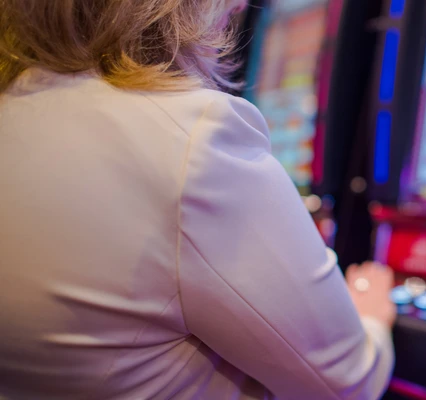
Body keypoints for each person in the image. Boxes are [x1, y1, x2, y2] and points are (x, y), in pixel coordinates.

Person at [0, 0, 396, 399]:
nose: (239, 6)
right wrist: (370, 317)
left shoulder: (16, 112)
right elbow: (346, 383)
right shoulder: (190, 138)